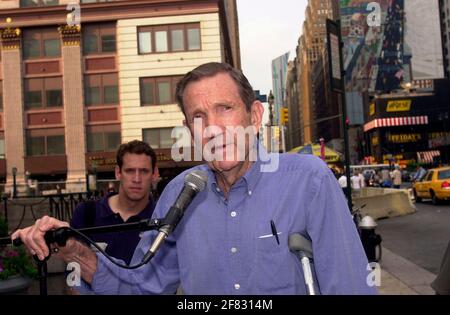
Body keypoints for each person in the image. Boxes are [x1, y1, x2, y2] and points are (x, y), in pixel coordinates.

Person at [13, 62, 376, 295]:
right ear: (189, 130)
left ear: (254, 115)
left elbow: (349, 286)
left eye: (225, 109)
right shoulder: (179, 194)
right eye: (199, 116)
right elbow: (140, 285)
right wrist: (75, 250)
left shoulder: (307, 181)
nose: (213, 128)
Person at [70, 140, 157, 265]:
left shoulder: (161, 218)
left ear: (154, 174)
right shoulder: (87, 213)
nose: (137, 179)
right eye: (130, 171)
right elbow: (74, 269)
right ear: (118, 172)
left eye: (144, 171)